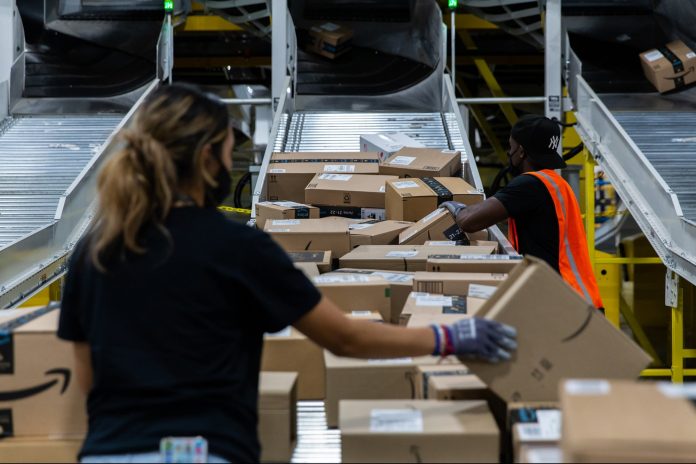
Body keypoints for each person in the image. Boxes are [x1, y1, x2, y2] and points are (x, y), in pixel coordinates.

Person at [57, 83, 517, 464]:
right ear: (206, 159)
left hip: (107, 452)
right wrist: (448, 336)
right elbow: (345, 339)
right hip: (203, 450)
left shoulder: (94, 252)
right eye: (228, 151)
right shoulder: (236, 247)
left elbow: (87, 379)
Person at [441, 115, 603, 310]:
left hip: (566, 302)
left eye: (511, 147)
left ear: (521, 152)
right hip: (579, 299)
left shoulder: (530, 185)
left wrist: (455, 207)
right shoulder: (557, 184)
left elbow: (469, 221)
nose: (509, 153)